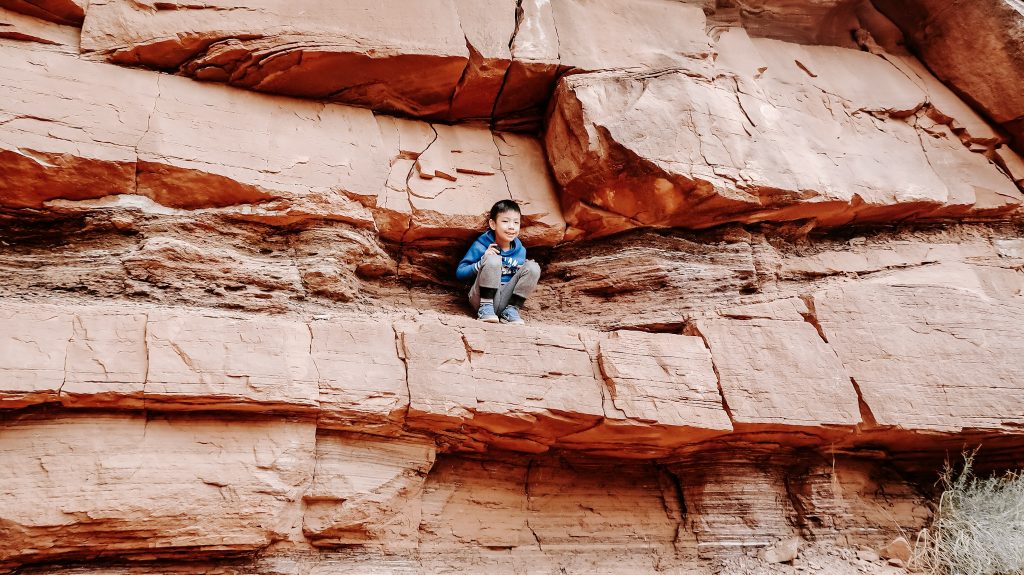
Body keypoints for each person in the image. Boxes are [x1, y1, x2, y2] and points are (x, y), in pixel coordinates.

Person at [455, 200, 541, 325]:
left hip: (506, 299)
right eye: (505, 221)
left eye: (516, 222)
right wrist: (482, 261)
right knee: (493, 258)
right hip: (481, 299)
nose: (511, 226)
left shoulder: (520, 250)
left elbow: (520, 277)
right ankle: (485, 308)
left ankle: (511, 311)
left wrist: (523, 271)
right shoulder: (481, 245)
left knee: (533, 267)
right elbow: (460, 273)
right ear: (493, 224)